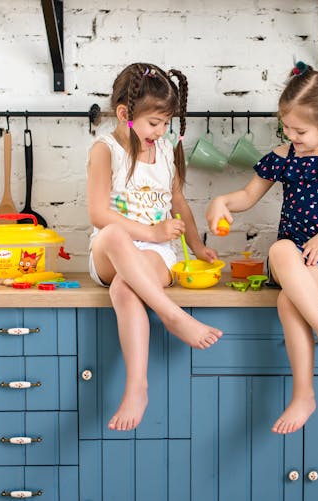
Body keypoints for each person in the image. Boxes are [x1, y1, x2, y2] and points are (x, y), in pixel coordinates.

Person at [206, 61, 318, 434]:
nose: (291, 135)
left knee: (288, 300)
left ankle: (304, 394)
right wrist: (221, 202)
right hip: (292, 257)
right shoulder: (284, 157)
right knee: (281, 248)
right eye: (286, 127)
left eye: (300, 130)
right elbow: (247, 196)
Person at [87, 62, 222, 432]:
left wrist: (195, 246)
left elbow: (178, 203)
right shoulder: (106, 150)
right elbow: (99, 213)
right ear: (124, 114)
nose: (160, 131)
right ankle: (173, 316)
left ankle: (137, 387)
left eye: (166, 123)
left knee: (125, 287)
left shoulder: (164, 150)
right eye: (153, 123)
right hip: (112, 252)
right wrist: (151, 232)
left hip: (155, 255)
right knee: (113, 234)